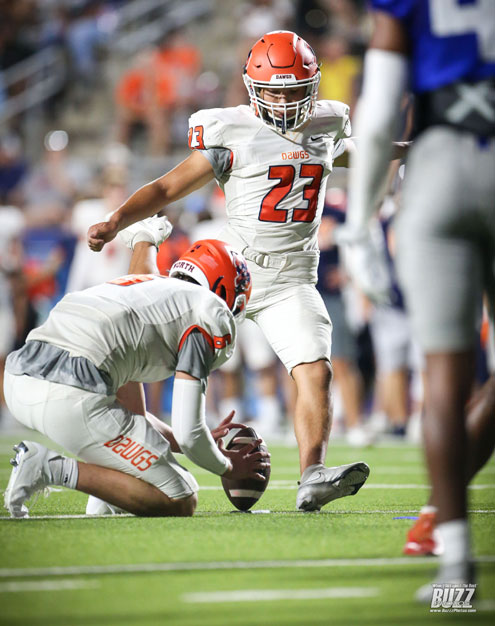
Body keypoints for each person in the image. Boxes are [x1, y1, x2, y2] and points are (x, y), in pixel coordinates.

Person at [87, 30, 382, 512]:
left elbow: (354, 154)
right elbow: (166, 188)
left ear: (313, 85)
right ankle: (127, 463)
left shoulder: (326, 125)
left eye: (294, 91)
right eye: (275, 91)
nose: (285, 102)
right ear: (252, 89)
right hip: (231, 275)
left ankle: (312, 476)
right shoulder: (233, 132)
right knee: (154, 356)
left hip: (292, 279)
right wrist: (118, 218)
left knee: (315, 368)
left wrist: (420, 149)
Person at [342, 0, 495, 598]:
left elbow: (379, 113)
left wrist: (358, 224)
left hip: (439, 163)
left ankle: (455, 566)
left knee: (443, 374)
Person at [3, 217, 269, 518]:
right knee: (180, 497)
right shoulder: (208, 311)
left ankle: (104, 504)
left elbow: (135, 417)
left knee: (129, 443)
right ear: (223, 287)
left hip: (19, 379)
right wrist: (229, 465)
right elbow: (188, 432)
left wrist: (203, 437)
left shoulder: (142, 294)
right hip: (70, 393)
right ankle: (50, 468)